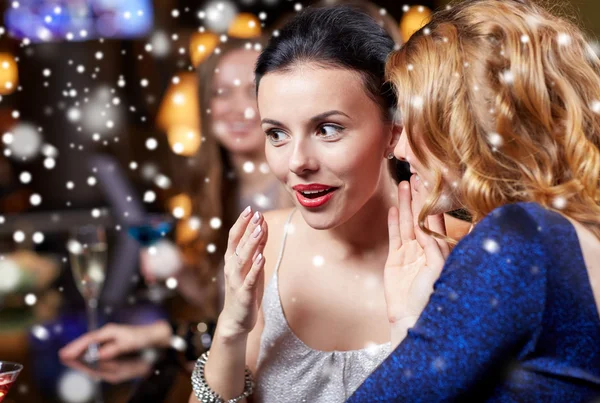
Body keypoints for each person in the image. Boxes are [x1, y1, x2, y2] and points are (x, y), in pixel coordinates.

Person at [188, 7, 470, 403]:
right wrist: (231, 328)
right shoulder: (266, 243)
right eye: (277, 133)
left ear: (393, 133)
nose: (297, 161)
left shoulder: (466, 254)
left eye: (327, 128)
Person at [348, 0, 600, 401]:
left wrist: (410, 321)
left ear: (460, 119)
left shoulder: (519, 240)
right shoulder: (562, 234)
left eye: (411, 118)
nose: (399, 149)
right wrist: (412, 318)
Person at [59, 38, 292, 363]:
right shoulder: (223, 192)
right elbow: (229, 312)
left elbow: (267, 336)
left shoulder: (296, 196)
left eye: (252, 90)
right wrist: (180, 274)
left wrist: (160, 334)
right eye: (221, 92)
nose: (237, 107)